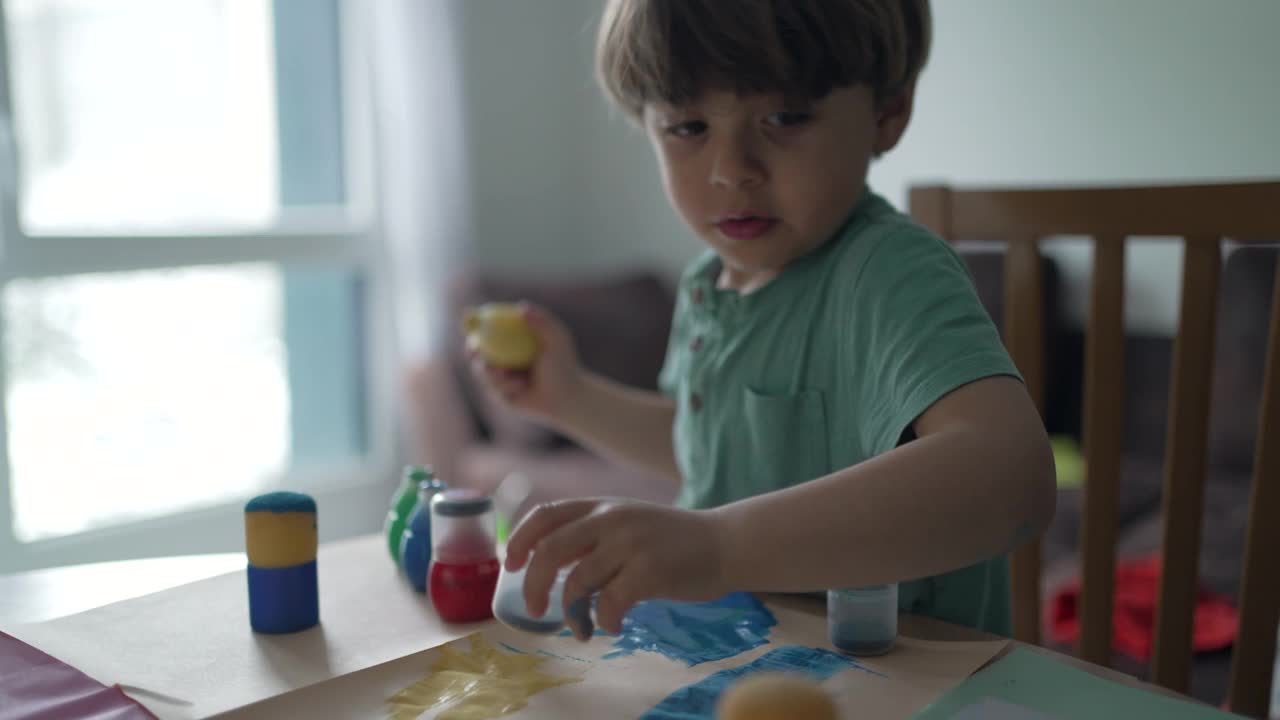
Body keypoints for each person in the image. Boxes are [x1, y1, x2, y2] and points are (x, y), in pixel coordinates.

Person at [469, 0, 1056, 641]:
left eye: (784, 117)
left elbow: (1011, 479)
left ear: (887, 112)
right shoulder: (705, 287)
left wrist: (719, 546)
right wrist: (572, 399)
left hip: (909, 683)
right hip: (743, 663)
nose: (731, 170)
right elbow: (716, 446)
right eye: (688, 127)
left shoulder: (890, 271)